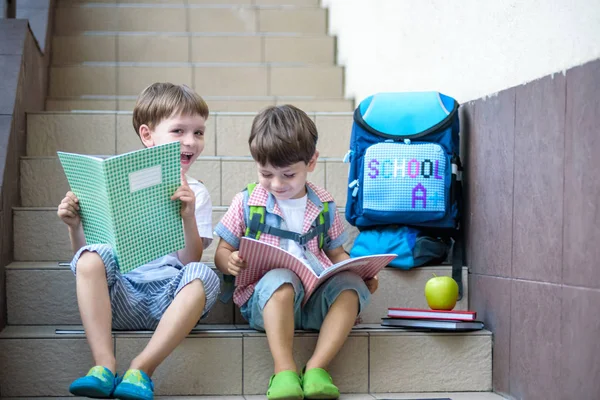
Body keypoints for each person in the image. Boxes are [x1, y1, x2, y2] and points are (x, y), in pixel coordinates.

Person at [57, 82, 220, 400]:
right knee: (92, 256)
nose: (190, 141)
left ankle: (141, 369)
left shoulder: (197, 192)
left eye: (198, 132)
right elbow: (86, 266)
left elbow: (191, 261)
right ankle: (103, 365)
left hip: (170, 301)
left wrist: (187, 214)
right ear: (148, 135)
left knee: (204, 277)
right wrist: (74, 226)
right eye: (179, 131)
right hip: (120, 298)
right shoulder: (115, 188)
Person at [214, 105, 378, 400]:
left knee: (350, 288)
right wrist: (230, 261)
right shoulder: (248, 202)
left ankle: (316, 368)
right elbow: (222, 250)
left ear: (311, 162)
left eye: (288, 174)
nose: (276, 184)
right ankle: (285, 370)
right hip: (268, 303)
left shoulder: (324, 204)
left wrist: (359, 271)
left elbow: (337, 253)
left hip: (314, 301)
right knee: (282, 278)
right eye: (266, 173)